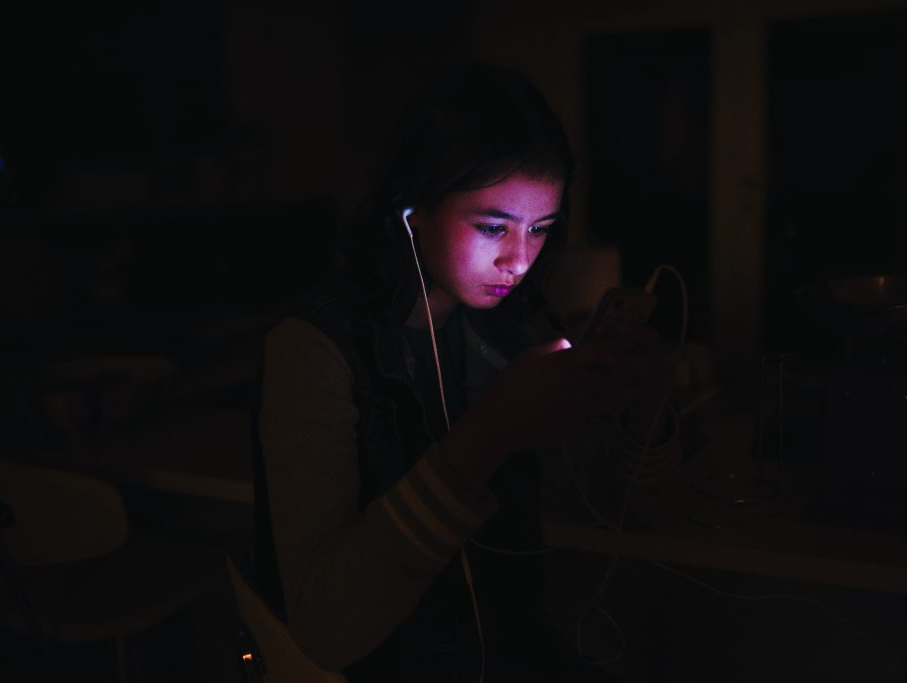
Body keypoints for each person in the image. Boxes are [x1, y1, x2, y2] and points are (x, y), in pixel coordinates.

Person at [253, 61, 677, 682]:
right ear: (413, 208)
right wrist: (494, 429)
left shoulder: (516, 332)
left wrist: (644, 411)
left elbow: (611, 512)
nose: (519, 260)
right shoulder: (315, 349)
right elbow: (327, 627)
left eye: (540, 230)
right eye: (492, 226)